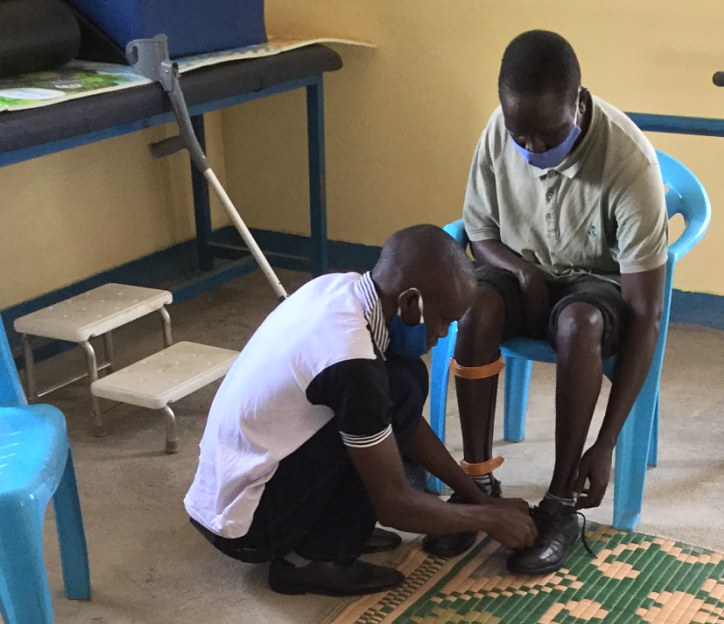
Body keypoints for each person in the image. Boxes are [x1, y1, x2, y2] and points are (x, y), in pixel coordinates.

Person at [422, 30, 669, 575]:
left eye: (548, 135)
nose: (532, 150)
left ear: (578, 105)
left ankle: (559, 502)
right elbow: (479, 231)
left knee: (580, 325)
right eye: (521, 135)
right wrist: (521, 272)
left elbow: (647, 313)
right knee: (477, 307)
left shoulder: (631, 166)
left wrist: (607, 443)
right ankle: (476, 484)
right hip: (519, 265)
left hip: (594, 284)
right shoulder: (498, 131)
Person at [185, 224, 536, 597]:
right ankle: (314, 561)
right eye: (444, 320)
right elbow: (395, 505)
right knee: (392, 389)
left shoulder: (338, 288)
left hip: (227, 490)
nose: (441, 334)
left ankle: (328, 530)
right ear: (410, 304)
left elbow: (404, 424)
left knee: (404, 378)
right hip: (247, 528)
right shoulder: (352, 360)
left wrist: (479, 497)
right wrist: (489, 520)